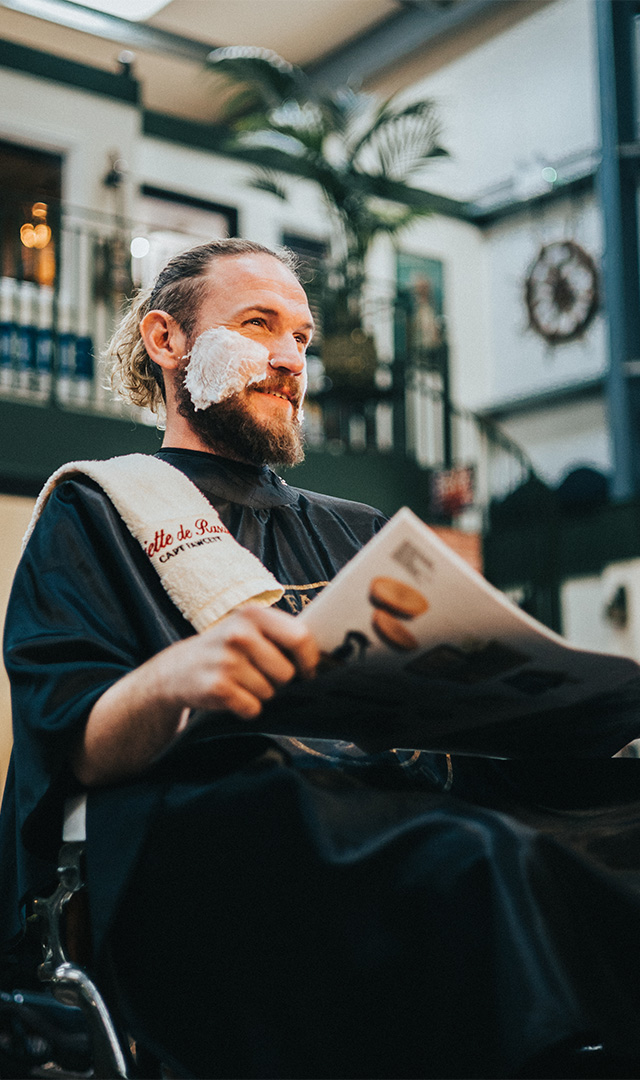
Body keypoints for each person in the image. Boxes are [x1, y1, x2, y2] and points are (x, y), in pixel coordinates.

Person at [1, 238, 640, 1080]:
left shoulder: (360, 529)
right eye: (258, 324)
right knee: (472, 854)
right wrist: (175, 678)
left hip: (395, 793)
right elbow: (69, 742)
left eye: (300, 337)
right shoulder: (98, 512)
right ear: (166, 341)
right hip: (230, 832)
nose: (289, 358)